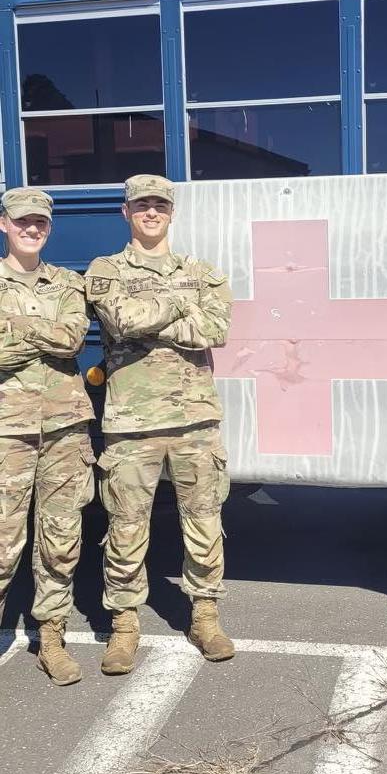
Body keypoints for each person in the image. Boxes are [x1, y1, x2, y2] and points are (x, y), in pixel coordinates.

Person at [85, 174, 233, 675]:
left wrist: (150, 308)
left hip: (196, 420)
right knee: (125, 527)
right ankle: (124, 625)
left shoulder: (203, 270)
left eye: (160, 206)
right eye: (142, 205)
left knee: (205, 521)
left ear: (172, 213)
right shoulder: (105, 269)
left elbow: (215, 330)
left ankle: (205, 616)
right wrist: (177, 302)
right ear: (125, 213)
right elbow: (120, 318)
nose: (151, 212)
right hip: (131, 421)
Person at [0, 188, 94, 685]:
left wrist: (16, 331)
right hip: (7, 430)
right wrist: (44, 333)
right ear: (4, 225)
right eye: (22, 221)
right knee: (2, 539)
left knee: (60, 538)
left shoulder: (68, 284)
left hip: (64, 428)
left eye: (40, 222)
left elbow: (74, 339)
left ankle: (51, 636)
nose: (31, 229)